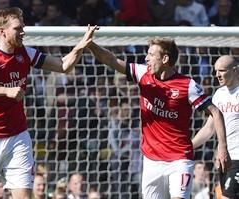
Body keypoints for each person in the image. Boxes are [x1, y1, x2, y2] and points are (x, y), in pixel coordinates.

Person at [0, 7, 97, 199]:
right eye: (18, 28)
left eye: (23, 27)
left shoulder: (26, 53)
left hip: (18, 136)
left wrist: (81, 45)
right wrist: (5, 91)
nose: (23, 32)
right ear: (2, 31)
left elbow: (63, 65)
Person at [87, 32, 231, 199]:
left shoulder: (187, 86)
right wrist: (91, 45)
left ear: (165, 59)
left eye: (151, 54)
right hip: (151, 160)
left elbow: (215, 111)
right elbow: (111, 60)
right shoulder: (143, 74)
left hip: (179, 160)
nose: (146, 59)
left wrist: (222, 146)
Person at [192, 55, 239, 199]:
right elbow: (209, 128)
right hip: (225, 159)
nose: (217, 74)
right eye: (215, 71)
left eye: (222, 70)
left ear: (235, 71)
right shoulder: (219, 94)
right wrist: (188, 146)